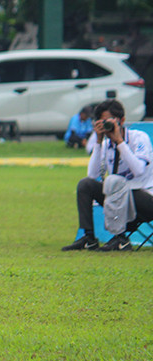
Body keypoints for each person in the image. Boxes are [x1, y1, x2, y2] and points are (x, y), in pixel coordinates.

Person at [62, 99, 153, 252]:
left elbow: (138, 170)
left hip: (145, 198)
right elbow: (92, 175)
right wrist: (98, 142)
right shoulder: (105, 145)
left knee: (118, 185)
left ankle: (121, 239)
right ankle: (89, 238)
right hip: (119, 200)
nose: (107, 125)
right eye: (102, 122)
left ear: (122, 120)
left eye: (110, 121)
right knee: (86, 184)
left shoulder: (139, 138)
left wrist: (120, 142)